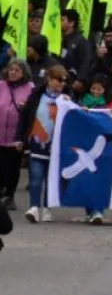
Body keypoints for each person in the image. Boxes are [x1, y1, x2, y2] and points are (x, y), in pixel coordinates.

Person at [18, 64, 71, 223]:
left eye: (64, 81)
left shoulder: (67, 98)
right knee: (35, 176)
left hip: (55, 146)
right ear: (49, 78)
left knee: (51, 178)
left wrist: (69, 104)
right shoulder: (37, 94)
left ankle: (47, 208)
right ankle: (34, 207)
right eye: (58, 80)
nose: (61, 84)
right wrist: (20, 137)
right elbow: (26, 116)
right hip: (36, 141)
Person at [0, 61, 34, 211]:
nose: (12, 72)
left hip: (16, 136)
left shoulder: (30, 88)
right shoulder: (1, 85)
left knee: (12, 167)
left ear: (24, 73)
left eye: (17, 70)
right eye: (10, 69)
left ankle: (9, 195)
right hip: (0, 133)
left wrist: (25, 108)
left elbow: (34, 110)